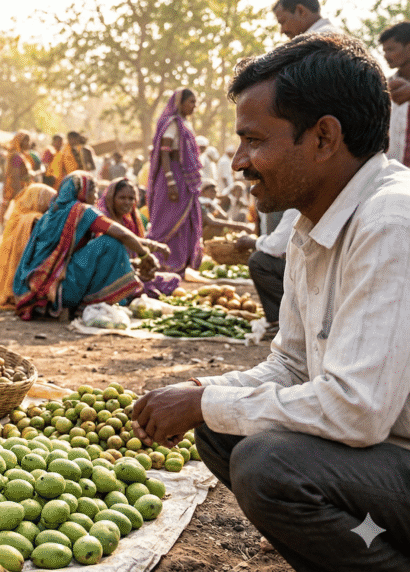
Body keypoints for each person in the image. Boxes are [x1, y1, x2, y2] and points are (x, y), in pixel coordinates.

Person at [131, 34, 410, 571]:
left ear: (325, 137)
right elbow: (292, 364)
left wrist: (205, 401)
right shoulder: (315, 223)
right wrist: (199, 394)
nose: (238, 162)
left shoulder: (389, 222)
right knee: (220, 428)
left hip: (395, 452)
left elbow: (357, 411)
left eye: (254, 140)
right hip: (386, 455)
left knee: (268, 463)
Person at [12, 172, 164, 321]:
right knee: (111, 242)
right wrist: (145, 255)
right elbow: (122, 234)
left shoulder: (50, 214)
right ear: (84, 191)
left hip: (37, 289)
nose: (97, 197)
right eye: (95, 191)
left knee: (105, 246)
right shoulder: (82, 210)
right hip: (63, 290)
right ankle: (90, 303)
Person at [146, 88, 204, 274]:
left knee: (186, 219)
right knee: (167, 219)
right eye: (191, 102)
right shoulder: (172, 123)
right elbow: (165, 153)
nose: (194, 106)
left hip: (185, 177)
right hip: (172, 175)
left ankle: (182, 261)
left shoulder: (186, 123)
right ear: (180, 103)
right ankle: (164, 260)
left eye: (195, 102)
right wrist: (171, 182)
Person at [95, 178, 178, 297]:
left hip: (128, 269)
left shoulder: (127, 221)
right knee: (140, 287)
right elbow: (123, 240)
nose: (127, 202)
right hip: (109, 273)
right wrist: (154, 248)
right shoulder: (103, 218)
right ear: (111, 198)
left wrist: (139, 266)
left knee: (173, 279)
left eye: (131, 198)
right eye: (122, 198)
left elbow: (132, 241)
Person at [235, 208, 298, 335]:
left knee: (258, 261)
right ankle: (283, 316)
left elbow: (275, 246)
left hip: (307, 270)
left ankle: (289, 315)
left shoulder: (294, 210)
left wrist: (251, 242)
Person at [381, 22, 410, 166]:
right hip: (394, 175)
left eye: (391, 49)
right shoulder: (385, 85)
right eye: (384, 51)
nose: (386, 56)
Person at [1, 131, 38, 219]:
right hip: (19, 192)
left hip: (24, 191)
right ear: (20, 142)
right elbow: (15, 177)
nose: (29, 143)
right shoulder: (16, 157)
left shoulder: (22, 155)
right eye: (27, 141)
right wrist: (19, 196)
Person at [273, 0, 341, 40]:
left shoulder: (317, 41)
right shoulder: (334, 35)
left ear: (301, 11)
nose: (282, 31)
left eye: (283, 21)